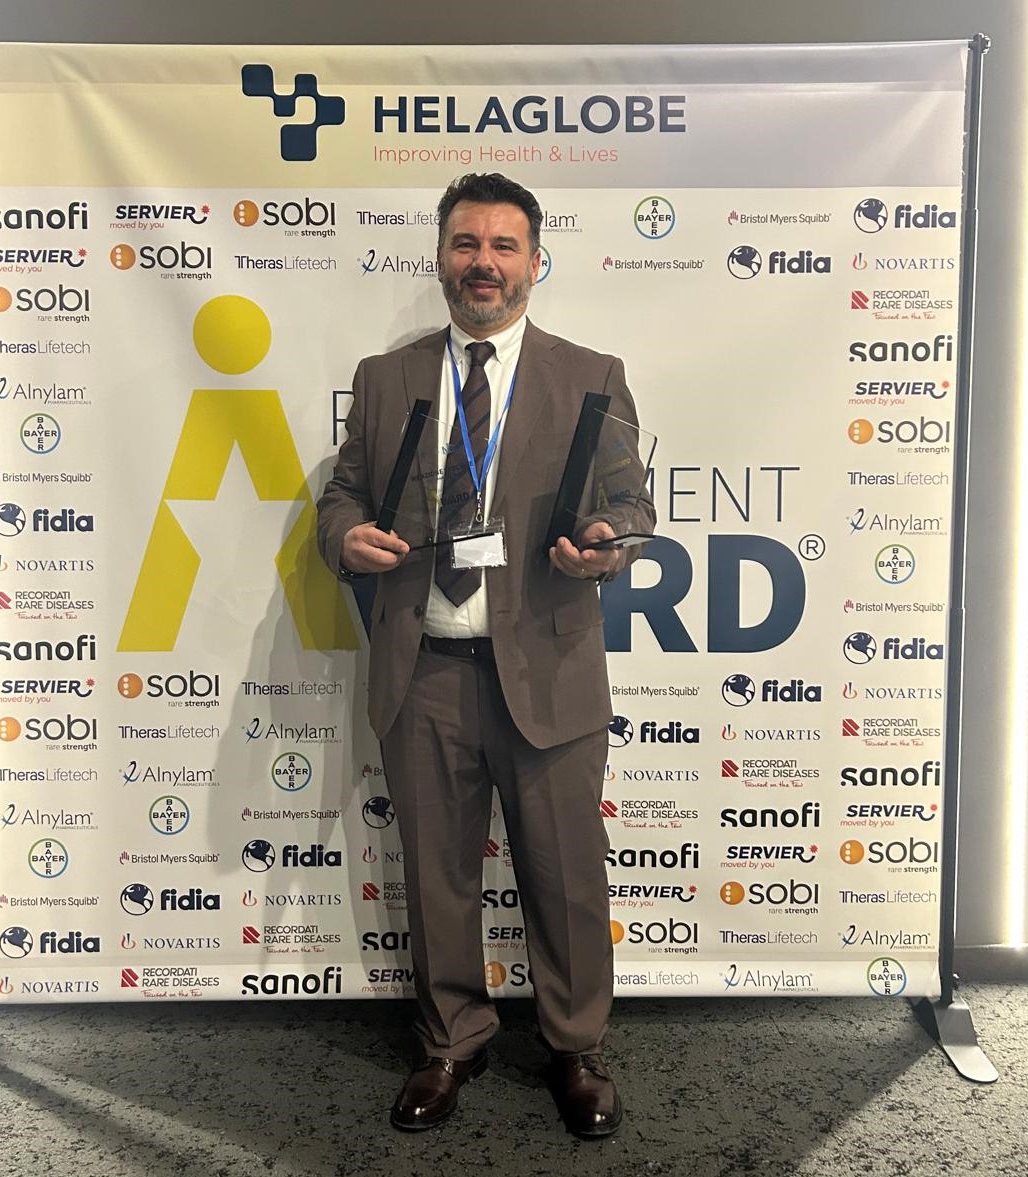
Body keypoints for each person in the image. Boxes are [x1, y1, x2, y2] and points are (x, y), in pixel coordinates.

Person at [316, 173, 654, 1139]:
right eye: (467, 243)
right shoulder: (386, 378)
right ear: (441, 257)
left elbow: (631, 505)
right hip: (423, 667)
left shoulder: (591, 374)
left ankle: (576, 1046)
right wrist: (345, 537)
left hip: (547, 666)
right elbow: (344, 494)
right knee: (436, 875)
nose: (484, 263)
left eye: (505, 246)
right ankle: (451, 1040)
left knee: (566, 873)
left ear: (536, 262)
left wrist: (608, 542)